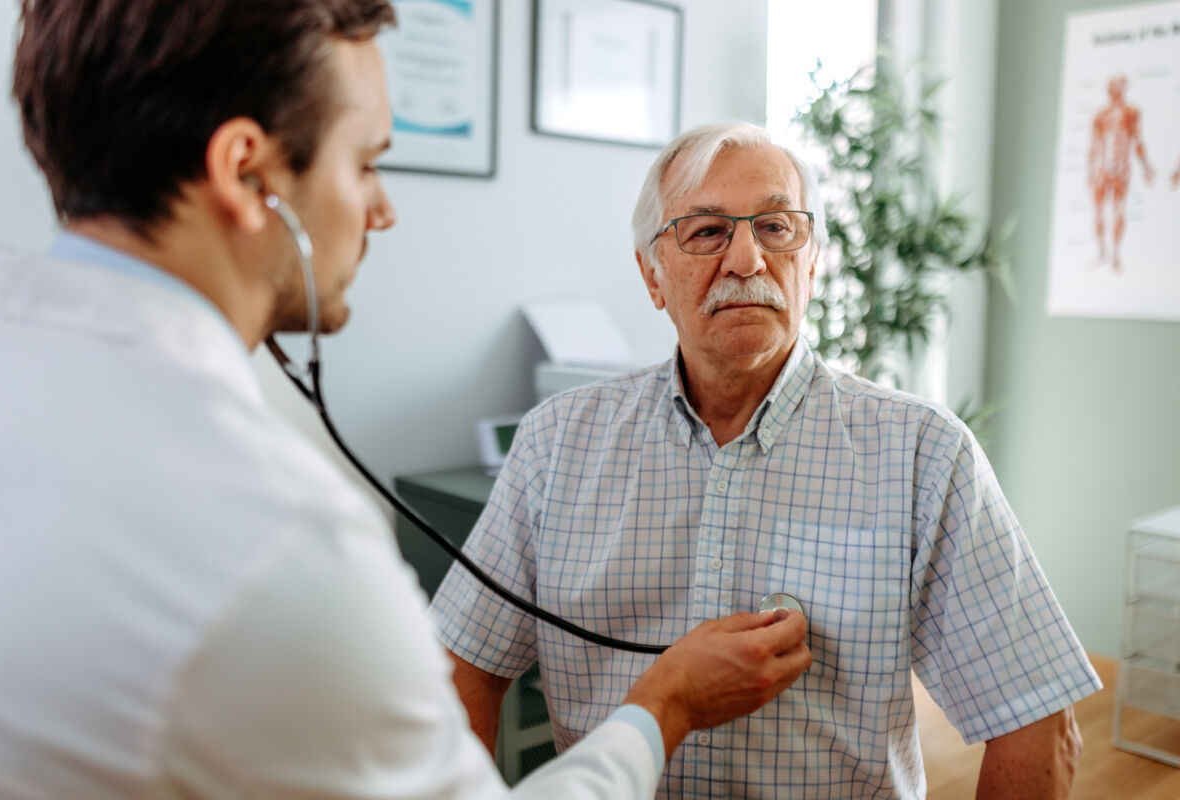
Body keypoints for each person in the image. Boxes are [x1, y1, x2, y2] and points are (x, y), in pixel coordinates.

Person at [0, 4, 814, 798]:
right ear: (245, 172)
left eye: (776, 228)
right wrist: (663, 706)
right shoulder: (286, 539)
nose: (382, 209)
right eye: (366, 163)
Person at [431, 122, 1104, 799]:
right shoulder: (556, 443)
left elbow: (1034, 715)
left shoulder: (923, 453)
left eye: (778, 228)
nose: (748, 259)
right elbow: (466, 667)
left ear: (812, 262)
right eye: (706, 231)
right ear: (651, 275)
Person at [1088, 75, 1154, 272]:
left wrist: (1146, 168)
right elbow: (1095, 145)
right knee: (1099, 211)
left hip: (1121, 170)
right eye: (1114, 88)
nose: (1117, 92)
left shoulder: (1131, 113)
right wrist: (1091, 171)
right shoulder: (1101, 116)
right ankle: (1102, 253)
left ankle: (1115, 254)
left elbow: (1137, 142)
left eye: (1120, 88)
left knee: (1118, 211)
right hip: (1103, 169)